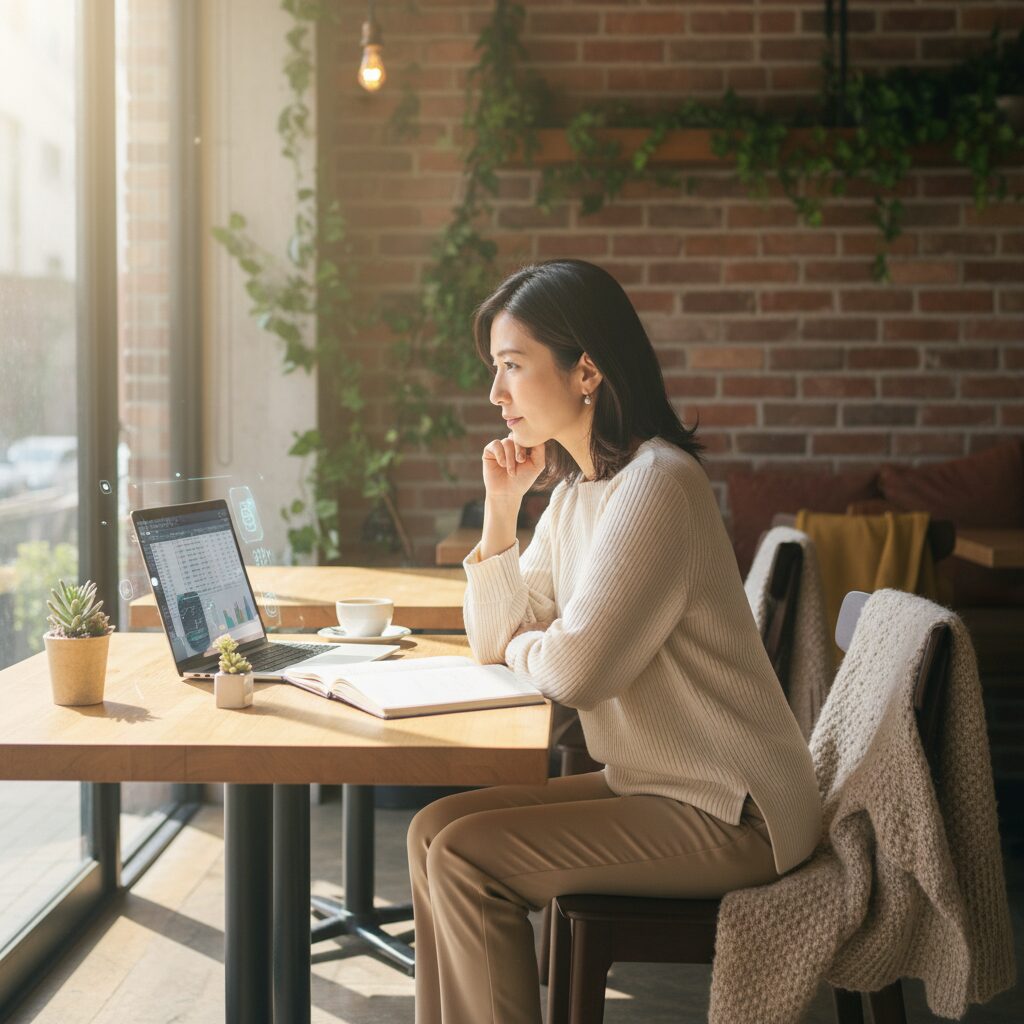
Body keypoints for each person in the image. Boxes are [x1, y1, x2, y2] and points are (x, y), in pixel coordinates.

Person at [407, 259, 822, 1024]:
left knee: (466, 860)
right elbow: (491, 638)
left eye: (511, 367)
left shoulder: (659, 484)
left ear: (586, 370)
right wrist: (503, 512)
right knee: (433, 830)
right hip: (661, 785)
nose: (494, 395)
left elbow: (577, 671)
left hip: (737, 811)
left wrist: (536, 641)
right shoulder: (575, 494)